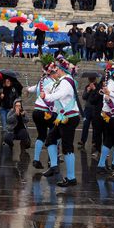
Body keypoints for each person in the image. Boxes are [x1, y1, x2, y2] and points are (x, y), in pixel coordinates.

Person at [41, 55, 80, 187]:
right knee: (51, 139)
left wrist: (47, 96)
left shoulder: (66, 81)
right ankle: (54, 166)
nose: (55, 71)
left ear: (62, 70)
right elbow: (53, 91)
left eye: (56, 69)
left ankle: (71, 178)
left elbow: (59, 95)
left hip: (69, 117)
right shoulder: (62, 80)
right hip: (62, 117)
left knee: (67, 147)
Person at [27, 63, 56, 169]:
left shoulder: (42, 81)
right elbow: (54, 96)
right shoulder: (53, 83)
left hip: (37, 111)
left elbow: (33, 89)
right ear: (52, 73)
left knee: (41, 135)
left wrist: (28, 89)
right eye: (56, 72)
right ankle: (53, 159)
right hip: (45, 112)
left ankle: (36, 159)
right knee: (55, 133)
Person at [78, 77, 97, 147]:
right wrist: (88, 91)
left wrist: (94, 89)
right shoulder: (87, 87)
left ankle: (94, 141)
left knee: (95, 126)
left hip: (95, 109)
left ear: (95, 80)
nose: (91, 81)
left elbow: (98, 96)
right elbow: (83, 97)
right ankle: (83, 141)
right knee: (85, 125)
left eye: (92, 80)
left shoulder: (98, 87)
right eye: (90, 80)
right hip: (87, 109)